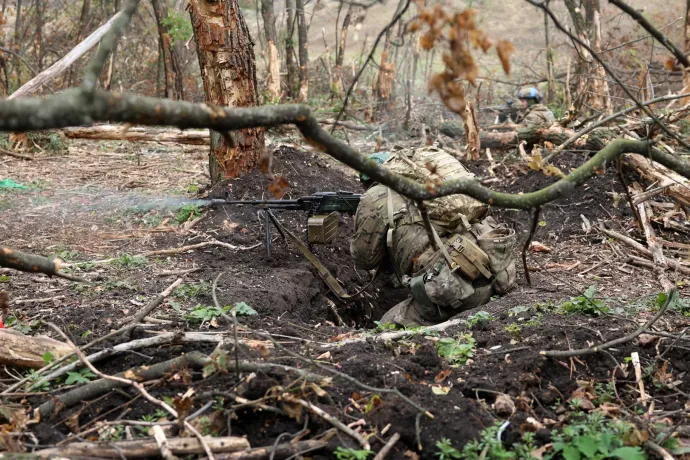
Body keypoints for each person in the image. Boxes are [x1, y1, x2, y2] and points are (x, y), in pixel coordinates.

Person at [350, 145, 517, 326]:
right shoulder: (427, 180)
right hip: (491, 271)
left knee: (382, 329)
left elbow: (365, 260)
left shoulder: (374, 196)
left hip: (457, 292)